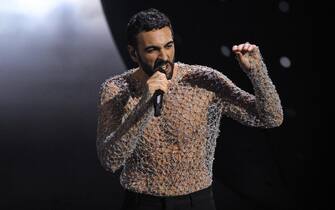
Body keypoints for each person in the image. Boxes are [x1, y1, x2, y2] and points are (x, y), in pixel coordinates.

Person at [96, 8, 283, 210]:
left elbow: (271, 118)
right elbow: (110, 160)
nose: (164, 56)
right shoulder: (117, 90)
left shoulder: (203, 81)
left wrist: (257, 72)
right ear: (134, 53)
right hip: (143, 202)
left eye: (169, 46)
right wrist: (145, 104)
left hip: (197, 201)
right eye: (152, 50)